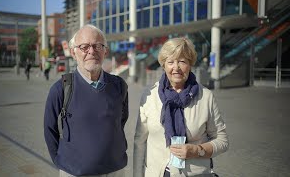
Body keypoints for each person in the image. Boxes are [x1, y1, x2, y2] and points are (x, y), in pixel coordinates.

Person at [133, 37, 229, 177]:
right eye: (170, 62)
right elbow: (139, 142)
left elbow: (222, 140)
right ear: (163, 65)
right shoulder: (149, 95)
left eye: (182, 61)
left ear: (190, 64)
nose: (176, 68)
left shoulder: (206, 97)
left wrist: (197, 150)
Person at [44, 24, 129, 177]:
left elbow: (121, 121)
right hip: (75, 172)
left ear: (105, 51)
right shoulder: (61, 89)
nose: (91, 51)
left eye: (97, 46)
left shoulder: (119, 86)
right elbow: (49, 129)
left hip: (115, 170)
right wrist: (60, 161)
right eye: (84, 47)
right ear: (73, 52)